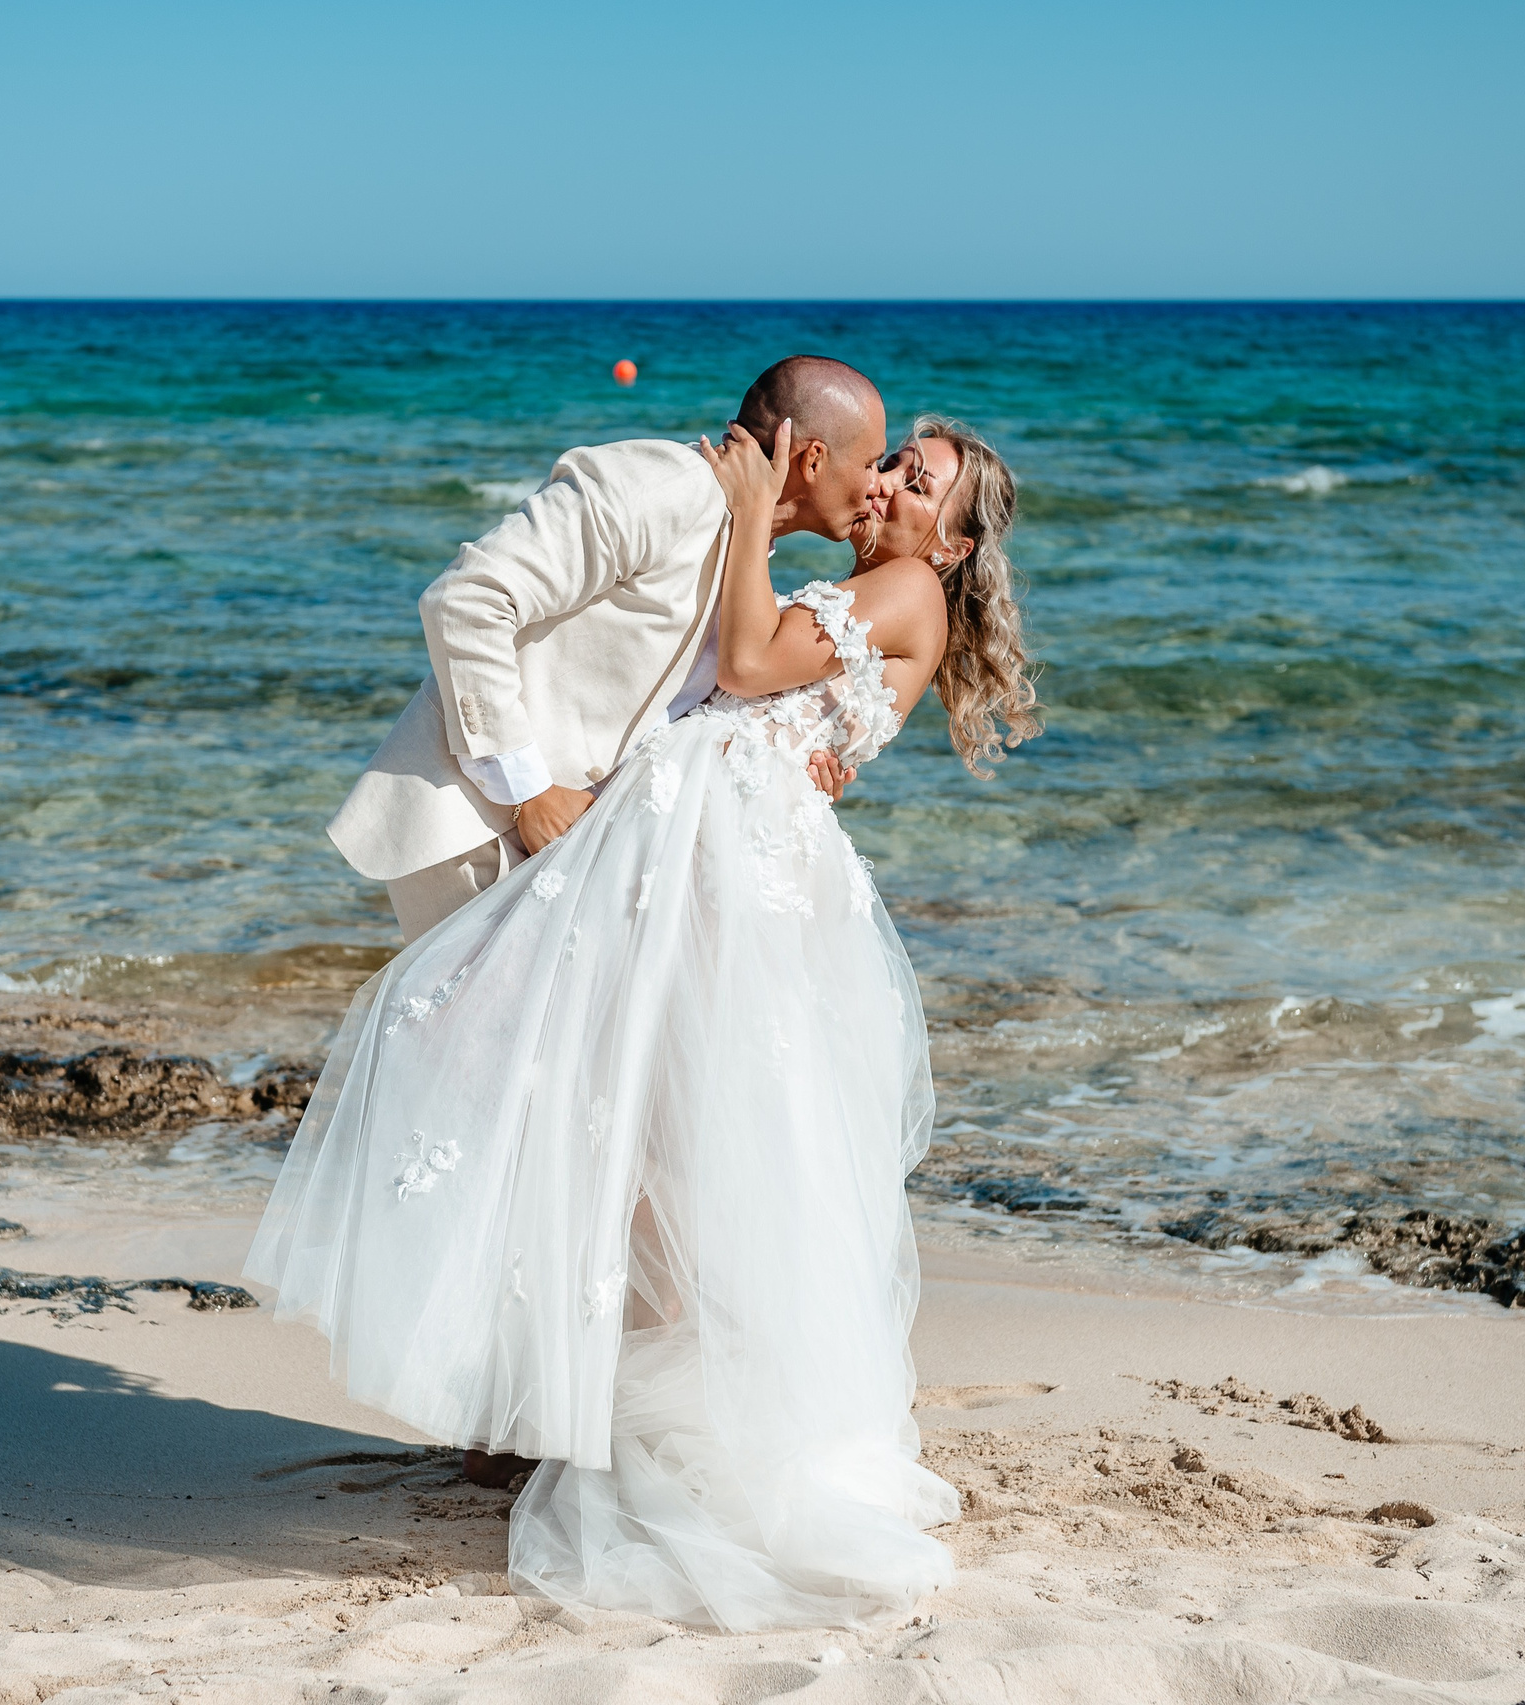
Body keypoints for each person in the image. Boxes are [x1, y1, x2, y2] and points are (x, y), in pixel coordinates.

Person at [246, 401, 1041, 1632]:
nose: (887, 481)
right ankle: (544, 1409)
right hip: (686, 851)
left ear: (948, 540)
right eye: (887, 458)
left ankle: (596, 1424)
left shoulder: (902, 598)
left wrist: (740, 527)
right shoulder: (879, 593)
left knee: (649, 1139)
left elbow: (747, 666)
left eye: (914, 475)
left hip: (718, 870)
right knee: (620, 1124)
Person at [324, 356, 884, 945]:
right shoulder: (663, 485)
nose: (878, 484)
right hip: (478, 829)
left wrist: (784, 772)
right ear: (813, 458)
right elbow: (467, 598)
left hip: (584, 858)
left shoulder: (745, 547)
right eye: (872, 462)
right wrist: (527, 793)